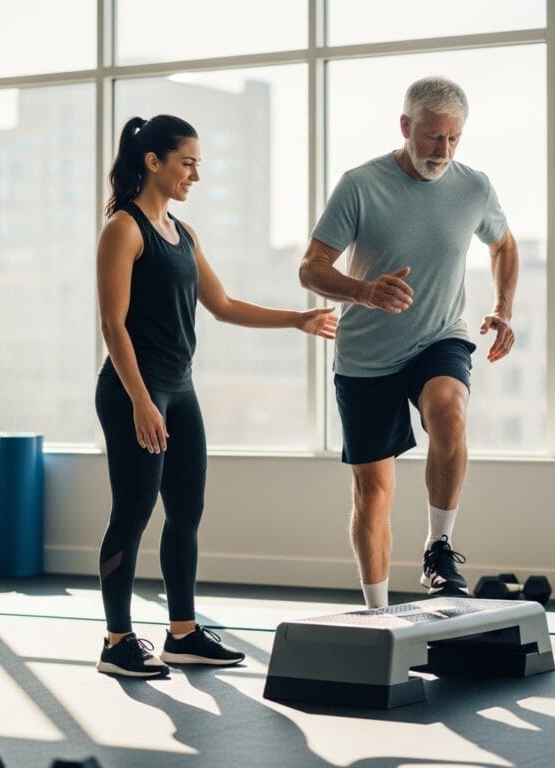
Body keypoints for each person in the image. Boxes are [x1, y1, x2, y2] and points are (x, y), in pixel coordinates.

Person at [95, 114, 337, 677]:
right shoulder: (123, 230)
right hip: (135, 391)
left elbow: (223, 304)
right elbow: (113, 325)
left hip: (179, 390)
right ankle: (116, 641)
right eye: (188, 162)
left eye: (198, 163)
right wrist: (140, 400)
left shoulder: (183, 233)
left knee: (186, 512)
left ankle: (182, 633)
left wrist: (298, 318)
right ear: (153, 162)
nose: (196, 174)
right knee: (132, 514)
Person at [299, 76, 518, 610]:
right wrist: (363, 291)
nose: (442, 151)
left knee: (449, 409)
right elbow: (311, 269)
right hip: (366, 353)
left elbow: (504, 246)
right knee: (373, 494)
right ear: (405, 127)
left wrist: (503, 308)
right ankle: (376, 611)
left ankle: (438, 547)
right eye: (431, 138)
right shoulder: (359, 185)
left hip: (439, 336)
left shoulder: (474, 188)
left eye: (453, 140)